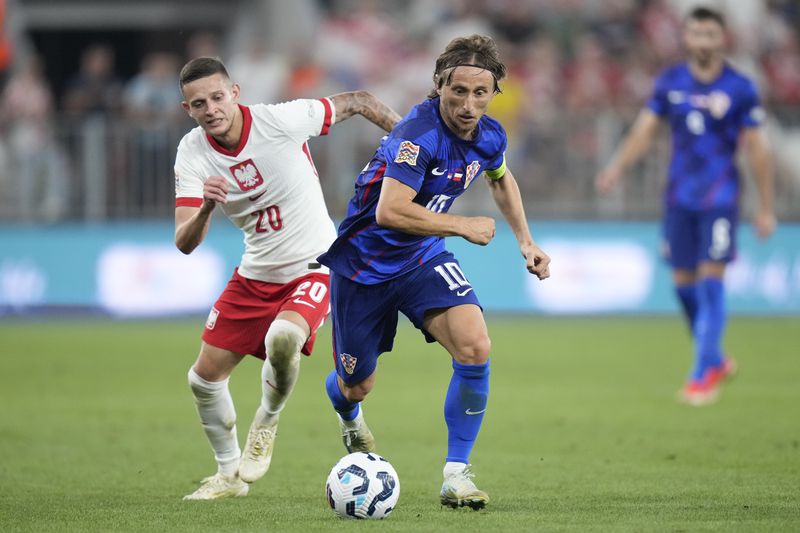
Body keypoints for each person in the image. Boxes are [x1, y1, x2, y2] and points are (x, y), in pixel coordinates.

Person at [317, 35, 551, 510]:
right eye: (458, 91)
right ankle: (348, 412)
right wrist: (462, 224)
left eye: (480, 93)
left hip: (422, 256)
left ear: (494, 92)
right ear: (439, 84)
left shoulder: (489, 135)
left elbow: (501, 179)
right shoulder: (416, 136)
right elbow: (391, 211)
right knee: (356, 383)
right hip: (364, 265)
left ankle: (457, 475)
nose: (468, 104)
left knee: (475, 344)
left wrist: (526, 240)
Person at [174, 57, 402, 500]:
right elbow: (184, 241)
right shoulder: (192, 151)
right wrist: (205, 207)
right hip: (255, 273)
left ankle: (267, 420)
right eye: (199, 104)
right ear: (188, 109)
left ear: (235, 92)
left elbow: (357, 101)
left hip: (315, 265)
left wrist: (412, 144)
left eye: (218, 97)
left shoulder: (280, 120)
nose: (211, 109)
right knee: (202, 380)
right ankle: (228, 475)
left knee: (283, 338)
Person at [595, 7, 776, 406]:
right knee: (683, 286)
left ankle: (701, 376)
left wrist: (765, 206)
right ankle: (715, 358)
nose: (703, 41)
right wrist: (616, 168)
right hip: (679, 198)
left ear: (722, 39)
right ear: (687, 39)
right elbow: (645, 131)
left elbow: (758, 149)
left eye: (711, 34)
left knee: (712, 282)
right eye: (696, 34)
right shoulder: (671, 81)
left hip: (721, 197)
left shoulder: (740, 87)